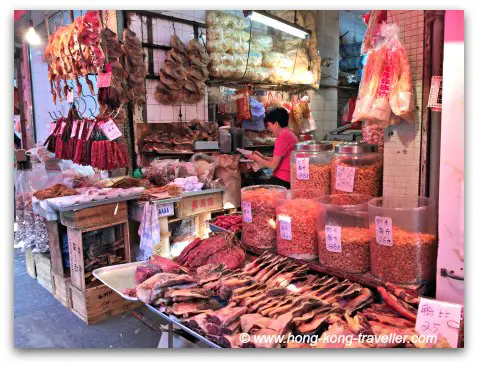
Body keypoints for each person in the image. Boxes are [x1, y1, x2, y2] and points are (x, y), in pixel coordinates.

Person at [249, 107, 298, 189]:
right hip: (289, 178)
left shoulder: (282, 138)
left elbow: (273, 166)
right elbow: (279, 160)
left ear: (276, 124)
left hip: (283, 179)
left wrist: (257, 159)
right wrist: (263, 157)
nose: (269, 129)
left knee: (257, 191)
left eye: (269, 125)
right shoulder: (289, 134)